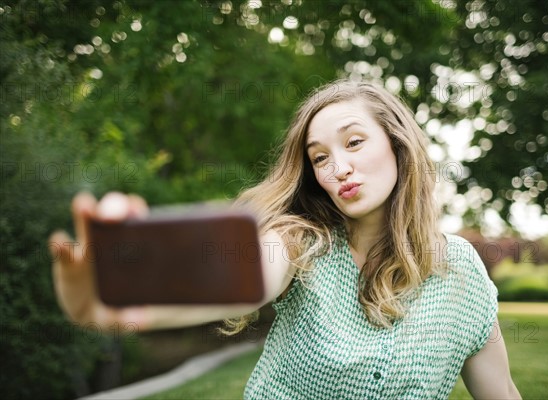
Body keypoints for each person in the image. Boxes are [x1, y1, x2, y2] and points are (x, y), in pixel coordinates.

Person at [49, 79, 521, 399]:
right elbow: (241, 276)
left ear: (398, 144)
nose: (337, 169)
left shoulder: (461, 273)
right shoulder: (302, 243)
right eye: (319, 158)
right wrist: (128, 298)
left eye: (353, 142)